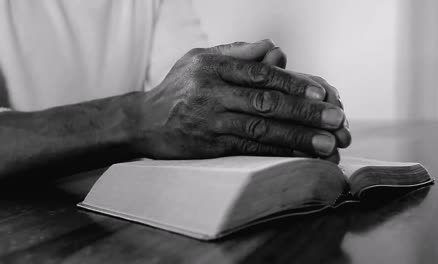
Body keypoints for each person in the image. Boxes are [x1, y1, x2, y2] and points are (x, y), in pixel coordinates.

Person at [0, 0, 351, 182]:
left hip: (108, 209)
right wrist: (137, 118)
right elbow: (160, 111)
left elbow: (188, 93)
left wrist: (250, 93)